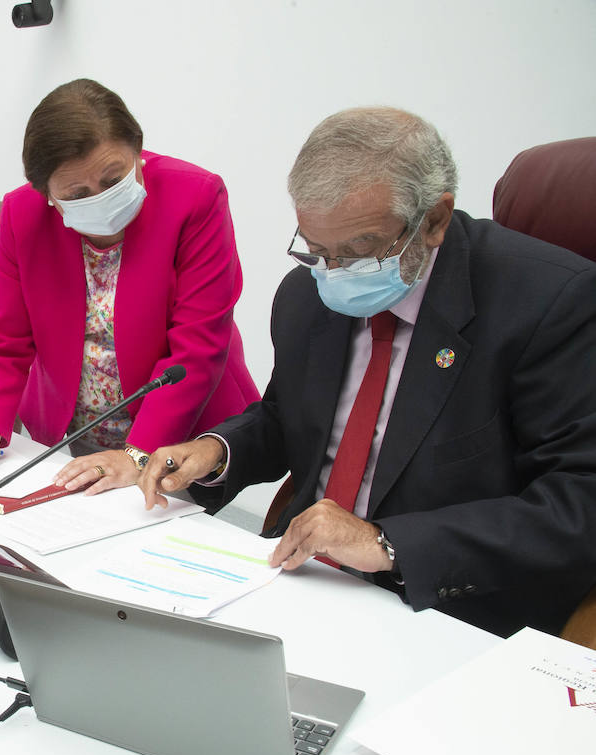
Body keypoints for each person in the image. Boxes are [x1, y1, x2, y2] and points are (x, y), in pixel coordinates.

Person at [139, 107, 596, 638]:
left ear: (435, 220)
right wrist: (216, 451)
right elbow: (290, 417)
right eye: (317, 249)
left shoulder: (551, 303)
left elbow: (578, 502)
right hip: (299, 580)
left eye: (360, 249)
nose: (334, 274)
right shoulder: (306, 296)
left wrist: (387, 543)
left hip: (449, 610)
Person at [0, 79, 258, 493]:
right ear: (48, 195)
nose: (100, 197)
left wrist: (138, 454)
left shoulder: (195, 198)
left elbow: (197, 348)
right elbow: (3, 340)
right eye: (77, 193)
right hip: (75, 439)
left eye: (113, 178)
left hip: (186, 436)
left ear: (137, 152)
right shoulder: (23, 214)